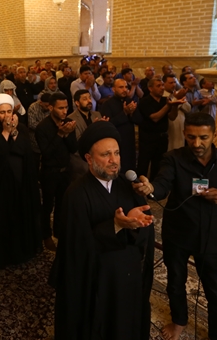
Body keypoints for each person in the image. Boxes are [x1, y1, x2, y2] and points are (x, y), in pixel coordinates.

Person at [133, 113, 217, 340]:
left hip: (211, 238)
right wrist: (151, 189)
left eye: (203, 138)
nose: (197, 144)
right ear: (184, 134)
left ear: (215, 135)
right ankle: (179, 321)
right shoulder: (172, 158)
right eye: (191, 137)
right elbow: (162, 185)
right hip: (177, 234)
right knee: (176, 282)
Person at [51, 121, 154, 340]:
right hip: (98, 281)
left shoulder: (127, 186)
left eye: (117, 153)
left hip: (128, 277)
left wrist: (137, 222)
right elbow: (77, 248)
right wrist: (115, 225)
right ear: (89, 159)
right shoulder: (76, 194)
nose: (114, 160)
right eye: (106, 154)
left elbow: (144, 232)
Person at [0, 94, 42, 271]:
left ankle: (23, 252)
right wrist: (6, 133)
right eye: (2, 112)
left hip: (21, 184)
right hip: (0, 188)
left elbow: (25, 151)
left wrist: (13, 133)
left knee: (22, 218)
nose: (6, 116)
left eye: (9, 111)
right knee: (1, 222)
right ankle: (1, 256)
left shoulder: (21, 128)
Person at [35, 93, 77, 251]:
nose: (65, 111)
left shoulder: (68, 123)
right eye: (61, 108)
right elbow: (46, 153)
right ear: (51, 107)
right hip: (50, 172)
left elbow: (73, 148)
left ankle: (59, 232)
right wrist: (60, 134)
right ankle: (45, 235)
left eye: (66, 107)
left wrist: (68, 134)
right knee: (47, 206)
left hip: (65, 171)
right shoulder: (42, 127)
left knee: (62, 204)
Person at [136, 78, 185, 178]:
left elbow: (172, 117)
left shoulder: (164, 100)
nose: (162, 88)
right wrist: (168, 105)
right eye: (158, 86)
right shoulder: (144, 101)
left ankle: (155, 185)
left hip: (162, 138)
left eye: (162, 85)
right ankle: (139, 184)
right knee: (143, 165)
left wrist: (175, 105)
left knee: (158, 165)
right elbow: (155, 118)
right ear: (150, 88)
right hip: (148, 138)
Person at [99, 79, 144, 173]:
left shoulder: (130, 101)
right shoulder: (107, 104)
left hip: (130, 142)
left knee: (130, 167)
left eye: (126, 87)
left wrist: (131, 113)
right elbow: (108, 124)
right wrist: (125, 113)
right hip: (115, 142)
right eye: (121, 87)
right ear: (113, 89)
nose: (124, 90)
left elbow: (139, 120)